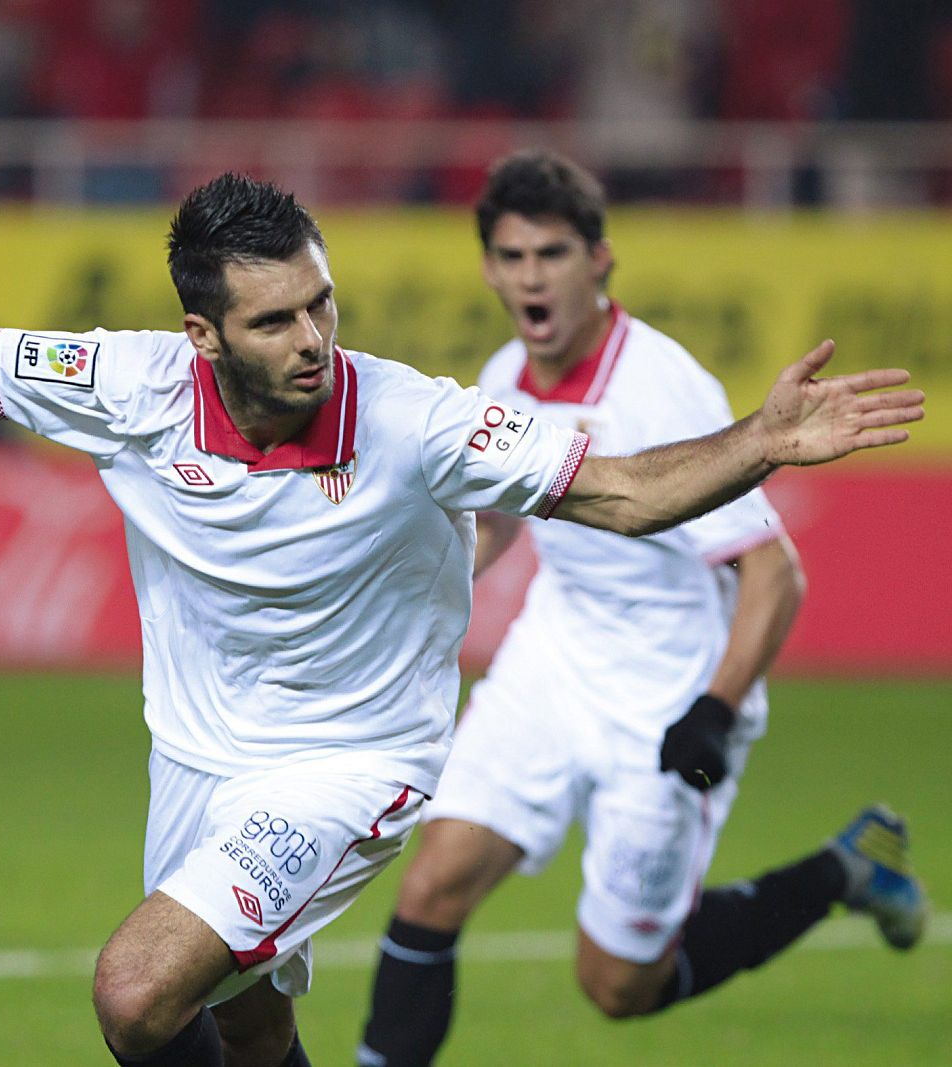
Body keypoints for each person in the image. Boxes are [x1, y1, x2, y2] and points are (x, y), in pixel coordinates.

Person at [0, 146, 921, 1066]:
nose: (314, 339)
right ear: (200, 333)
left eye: (322, 304)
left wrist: (759, 438)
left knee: (136, 989)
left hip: (355, 763)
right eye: (277, 318)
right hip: (201, 759)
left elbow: (622, 490)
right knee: (256, 1029)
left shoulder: (418, 419)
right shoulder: (129, 384)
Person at [356, 151, 930, 1067]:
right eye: (512, 256)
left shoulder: (662, 387)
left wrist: (716, 708)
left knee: (619, 985)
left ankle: (847, 866)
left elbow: (773, 574)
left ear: (600, 261)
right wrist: (412, 585)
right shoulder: (505, 373)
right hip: (554, 661)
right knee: (429, 887)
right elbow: (499, 522)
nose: (531, 276)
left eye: (552, 253)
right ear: (488, 269)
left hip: (669, 690)